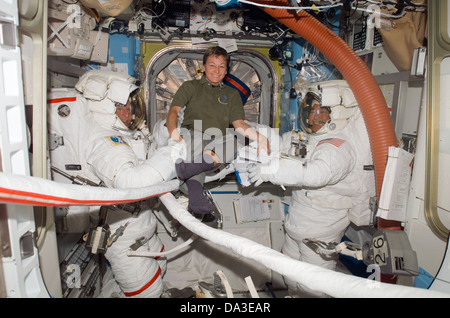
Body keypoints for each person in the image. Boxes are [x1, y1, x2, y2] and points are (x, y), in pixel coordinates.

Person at [48, 70, 185, 297]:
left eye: (131, 105)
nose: (129, 111)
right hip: (125, 240)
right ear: (106, 107)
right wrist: (176, 150)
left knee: (158, 272)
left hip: (140, 231)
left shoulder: (121, 136)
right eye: (123, 106)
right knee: (147, 293)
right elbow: (130, 182)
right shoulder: (103, 141)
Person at [247, 80, 376, 297]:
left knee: (312, 286)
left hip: (320, 232)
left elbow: (316, 175)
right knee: (289, 273)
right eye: (310, 110)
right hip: (297, 225)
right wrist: (259, 134)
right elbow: (282, 145)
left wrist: (270, 172)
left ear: (336, 115)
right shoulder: (309, 138)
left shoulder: (338, 146)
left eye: (321, 112)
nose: (312, 117)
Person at [166, 46, 270, 215]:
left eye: (222, 66)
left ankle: (189, 169)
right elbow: (173, 111)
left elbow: (239, 125)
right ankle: (196, 196)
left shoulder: (232, 94)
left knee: (239, 139)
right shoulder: (190, 86)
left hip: (218, 139)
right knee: (197, 144)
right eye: (212, 65)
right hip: (194, 132)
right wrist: (173, 132)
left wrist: (262, 139)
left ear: (226, 70)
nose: (217, 70)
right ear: (204, 66)